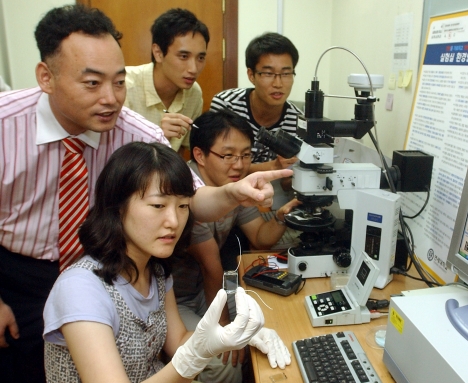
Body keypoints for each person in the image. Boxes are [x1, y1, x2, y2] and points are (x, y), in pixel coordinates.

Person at [0, 5, 291, 383]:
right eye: (93, 83)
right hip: (18, 270)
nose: (111, 98)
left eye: (119, 82)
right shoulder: (7, 125)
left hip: (110, 262)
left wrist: (232, 192)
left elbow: (190, 198)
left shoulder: (137, 134)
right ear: (46, 77)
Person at [43, 141, 269, 382]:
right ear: (117, 207)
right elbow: (184, 355)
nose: (173, 220)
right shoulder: (80, 288)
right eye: (158, 205)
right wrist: (191, 358)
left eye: (183, 206)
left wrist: (233, 336)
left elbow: (179, 341)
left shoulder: (154, 269)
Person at [171, 109, 297, 382]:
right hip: (177, 299)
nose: (239, 165)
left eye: (245, 155)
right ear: (200, 155)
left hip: (208, 292)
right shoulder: (189, 195)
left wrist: (284, 215)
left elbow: (260, 237)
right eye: (228, 155)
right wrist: (223, 329)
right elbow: (211, 267)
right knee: (224, 361)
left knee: (269, 321)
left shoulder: (234, 186)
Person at [210, 32, 302, 174]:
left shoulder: (298, 120)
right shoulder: (227, 105)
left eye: (286, 74)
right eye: (268, 73)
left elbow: (290, 180)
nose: (278, 83)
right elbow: (216, 166)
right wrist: (272, 167)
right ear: (251, 75)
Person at [124, 8, 207, 153]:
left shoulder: (193, 92)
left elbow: (181, 151)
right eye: (183, 56)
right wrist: (158, 137)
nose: (193, 69)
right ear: (158, 53)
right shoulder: (124, 85)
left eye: (200, 58)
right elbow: (113, 159)